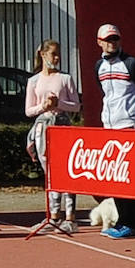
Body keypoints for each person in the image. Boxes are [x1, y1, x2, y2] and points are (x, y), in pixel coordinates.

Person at [94, 23, 135, 239]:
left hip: (129, 127)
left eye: (115, 39)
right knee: (116, 178)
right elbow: (106, 94)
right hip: (109, 128)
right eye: (108, 39)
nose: (112, 43)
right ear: (99, 42)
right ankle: (122, 221)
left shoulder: (131, 64)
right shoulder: (99, 66)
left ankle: (133, 223)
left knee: (130, 178)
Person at [25, 39, 81, 232]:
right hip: (43, 127)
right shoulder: (33, 81)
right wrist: (43, 106)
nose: (56, 58)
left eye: (58, 54)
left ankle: (70, 217)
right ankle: (53, 216)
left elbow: (76, 105)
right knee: (50, 171)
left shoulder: (65, 78)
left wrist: (59, 104)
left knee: (65, 169)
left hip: (62, 125)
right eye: (53, 54)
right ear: (43, 55)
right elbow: (29, 110)